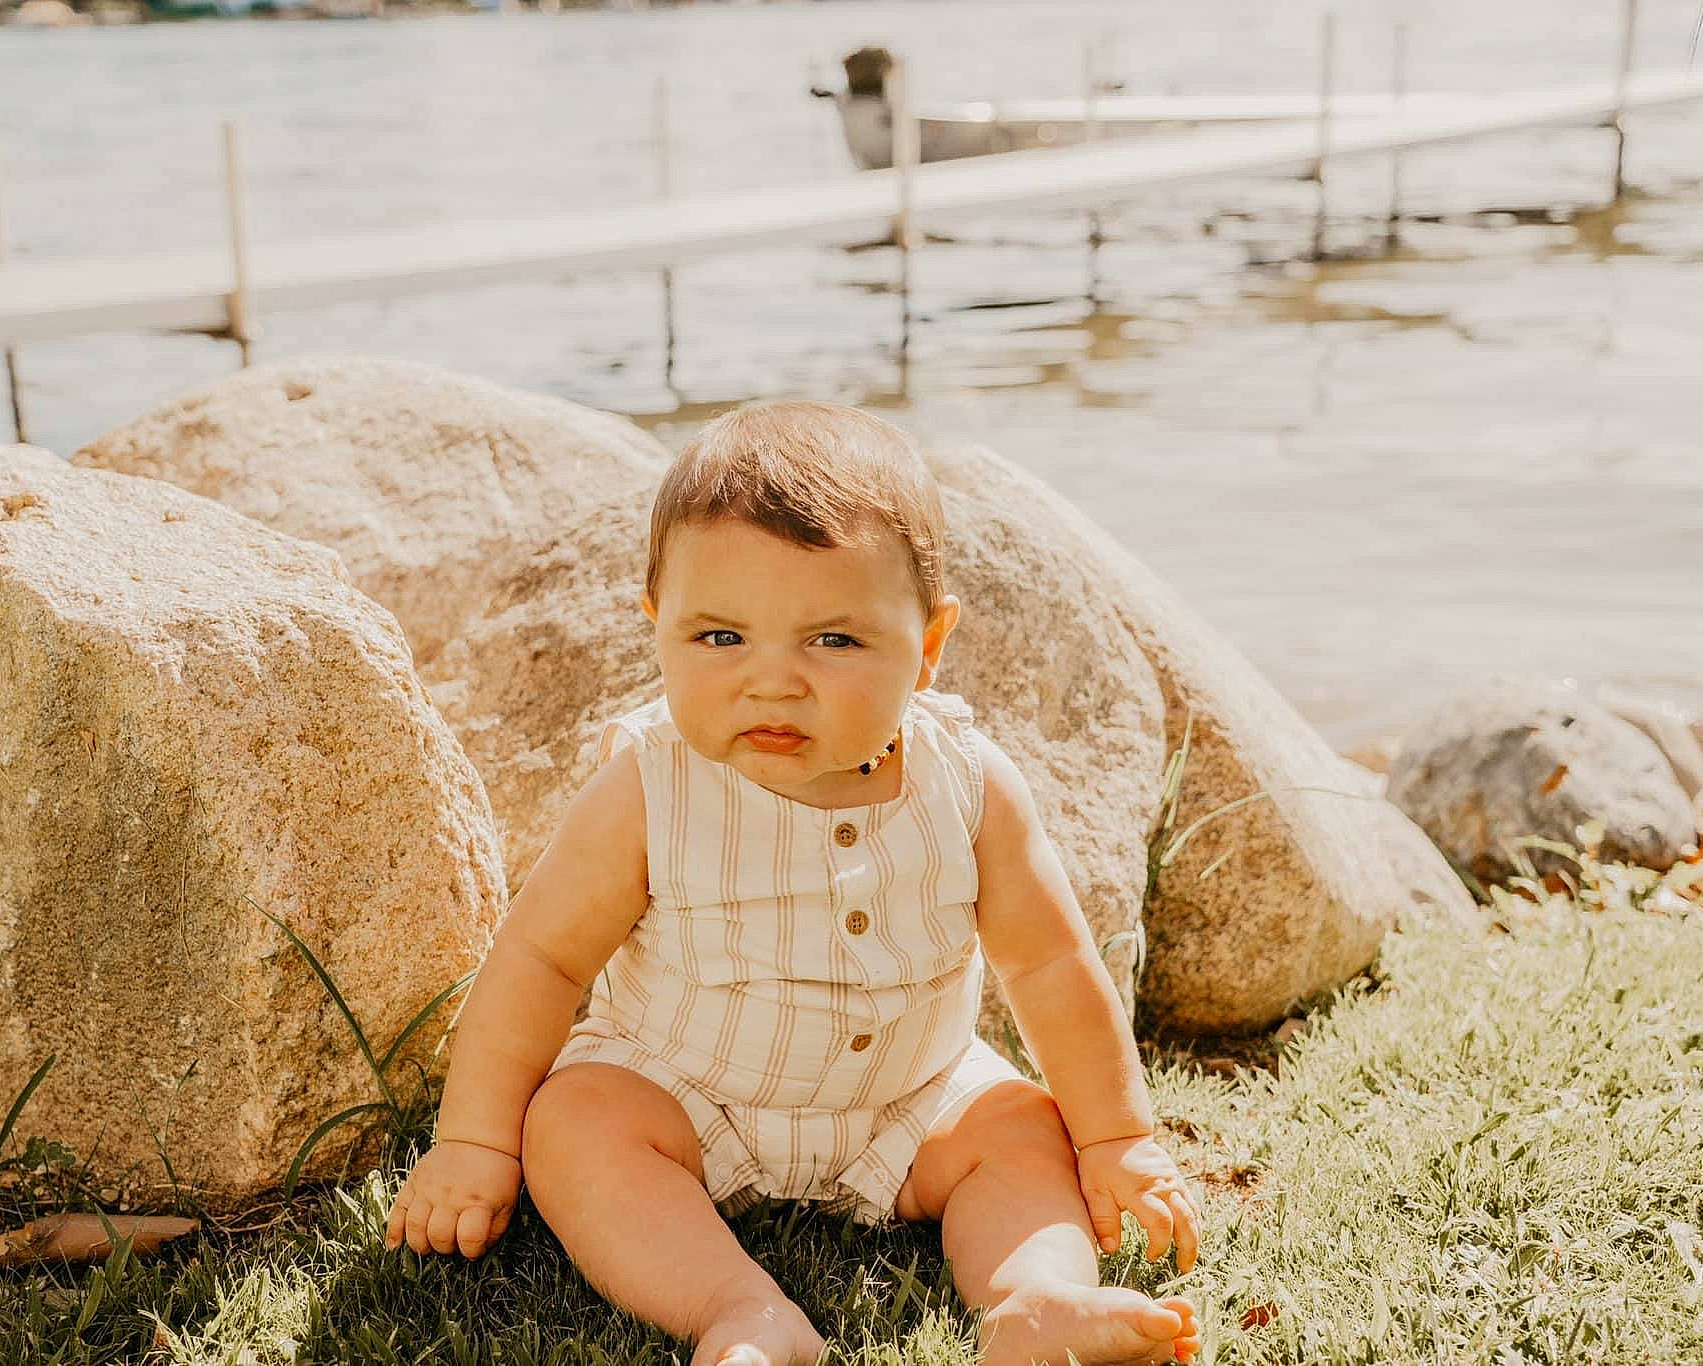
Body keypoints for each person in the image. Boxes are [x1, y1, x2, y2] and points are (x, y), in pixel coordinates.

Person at [384, 400, 1203, 1366]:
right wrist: (477, 1140)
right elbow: (541, 960)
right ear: (658, 627)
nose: (772, 681)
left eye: (834, 641)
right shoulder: (649, 788)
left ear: (928, 646)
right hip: (684, 1095)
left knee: (1022, 1129)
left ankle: (1037, 1301)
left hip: (914, 1097)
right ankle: (740, 1311)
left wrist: (1115, 1139)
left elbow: (1055, 966)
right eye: (720, 639)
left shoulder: (971, 786)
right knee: (573, 1122)